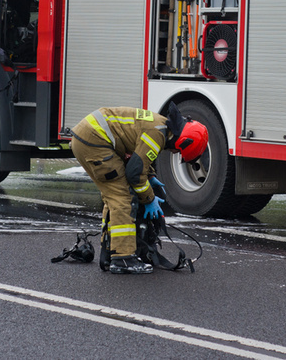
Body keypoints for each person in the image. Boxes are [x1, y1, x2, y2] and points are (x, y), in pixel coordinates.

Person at [70, 104, 208, 274]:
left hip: (90, 137)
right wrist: (149, 199)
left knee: (114, 196)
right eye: (178, 151)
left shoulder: (161, 126)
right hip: (94, 140)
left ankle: (110, 251)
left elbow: (138, 154)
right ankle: (123, 259)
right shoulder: (158, 134)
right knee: (122, 198)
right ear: (184, 142)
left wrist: (150, 177)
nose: (174, 152)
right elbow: (134, 173)